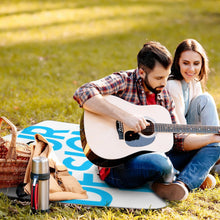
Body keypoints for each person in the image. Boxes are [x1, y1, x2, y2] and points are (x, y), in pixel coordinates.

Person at [73, 41, 220, 201]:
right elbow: (83, 92)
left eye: (166, 76)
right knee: (160, 163)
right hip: (118, 165)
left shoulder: (163, 95)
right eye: (158, 78)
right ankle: (183, 175)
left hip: (158, 155)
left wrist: (211, 137)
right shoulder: (124, 80)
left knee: (215, 146)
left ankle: (182, 183)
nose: (164, 83)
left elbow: (178, 139)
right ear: (142, 73)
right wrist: (125, 117)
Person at [166, 39, 220, 175]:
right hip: (177, 141)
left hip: (193, 134)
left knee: (205, 98)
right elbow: (181, 131)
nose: (191, 69)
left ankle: (214, 153)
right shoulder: (173, 85)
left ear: (202, 64)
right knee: (206, 98)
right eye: (186, 63)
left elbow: (202, 121)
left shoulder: (194, 82)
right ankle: (213, 154)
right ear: (177, 62)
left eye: (196, 64)